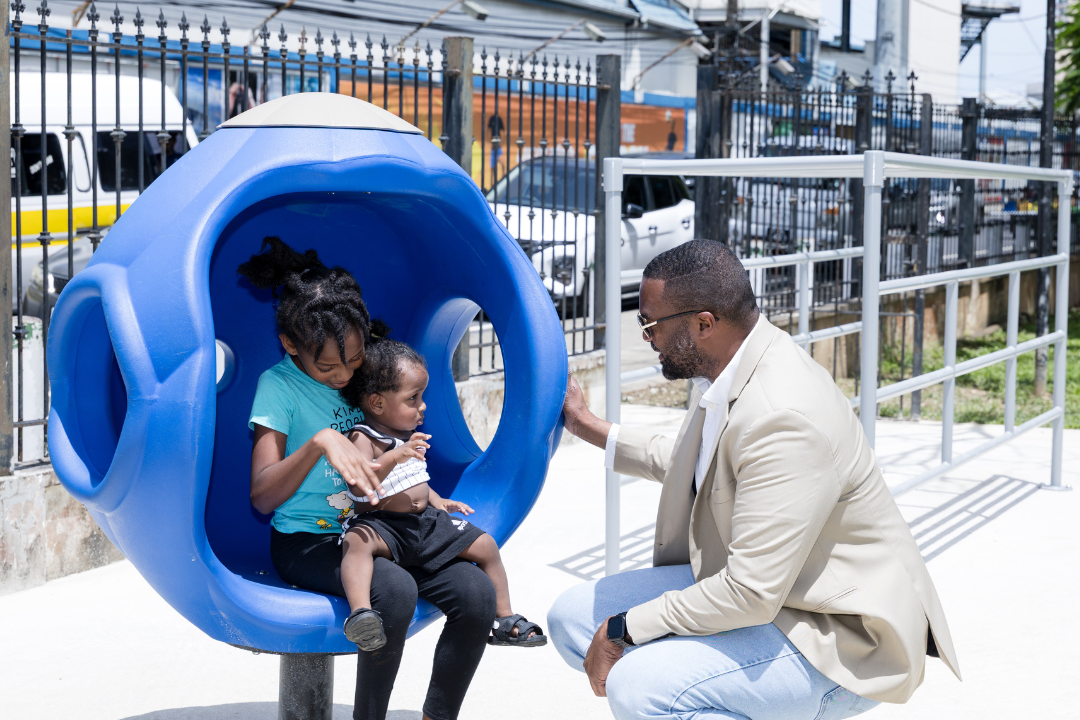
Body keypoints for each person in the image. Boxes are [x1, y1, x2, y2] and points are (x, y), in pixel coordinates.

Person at [550, 240, 961, 720]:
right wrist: (586, 426)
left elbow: (749, 592)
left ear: (704, 323)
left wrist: (626, 627)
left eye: (650, 323)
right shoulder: (730, 367)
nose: (645, 336)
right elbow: (695, 464)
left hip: (837, 635)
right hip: (771, 593)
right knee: (572, 617)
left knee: (641, 687)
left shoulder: (783, 416)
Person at [242, 237, 497, 720]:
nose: (343, 376)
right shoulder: (278, 388)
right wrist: (320, 442)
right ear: (290, 345)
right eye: (327, 367)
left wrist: (429, 495)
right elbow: (262, 496)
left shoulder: (364, 371)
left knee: (476, 593)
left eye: (353, 360)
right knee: (395, 592)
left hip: (384, 528)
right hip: (309, 540)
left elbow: (397, 433)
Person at [334, 325, 546, 651]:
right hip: (382, 524)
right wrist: (394, 456)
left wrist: (438, 500)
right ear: (376, 403)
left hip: (422, 524)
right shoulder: (364, 437)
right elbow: (360, 487)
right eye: (413, 398)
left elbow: (415, 481)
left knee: (486, 545)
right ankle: (362, 612)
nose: (423, 406)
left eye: (422, 396)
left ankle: (504, 618)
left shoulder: (408, 436)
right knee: (355, 542)